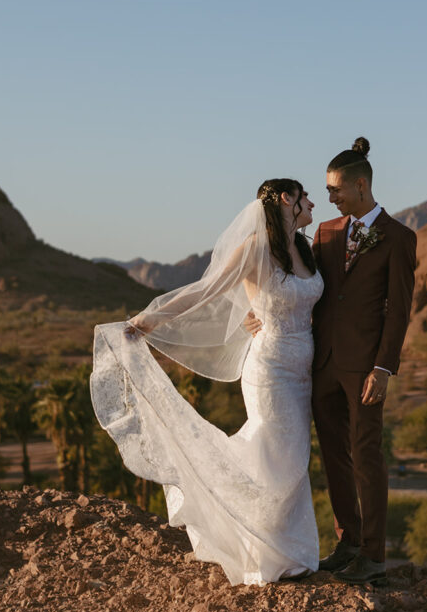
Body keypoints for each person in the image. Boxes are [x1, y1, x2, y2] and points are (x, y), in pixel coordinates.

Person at [90, 179, 323, 586]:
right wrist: (148, 320)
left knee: (292, 461)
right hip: (270, 370)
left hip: (304, 372)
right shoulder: (254, 247)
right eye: (305, 197)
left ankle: (288, 553)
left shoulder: (304, 249)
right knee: (276, 461)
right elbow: (204, 291)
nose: (313, 203)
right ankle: (263, 558)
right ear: (287, 199)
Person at [312, 138, 417, 582]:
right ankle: (347, 541)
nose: (330, 197)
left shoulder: (399, 238)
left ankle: (374, 555)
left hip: (365, 368)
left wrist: (383, 368)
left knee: (365, 454)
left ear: (361, 185)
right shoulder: (326, 232)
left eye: (336, 189)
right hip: (323, 364)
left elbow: (400, 308)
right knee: (334, 456)